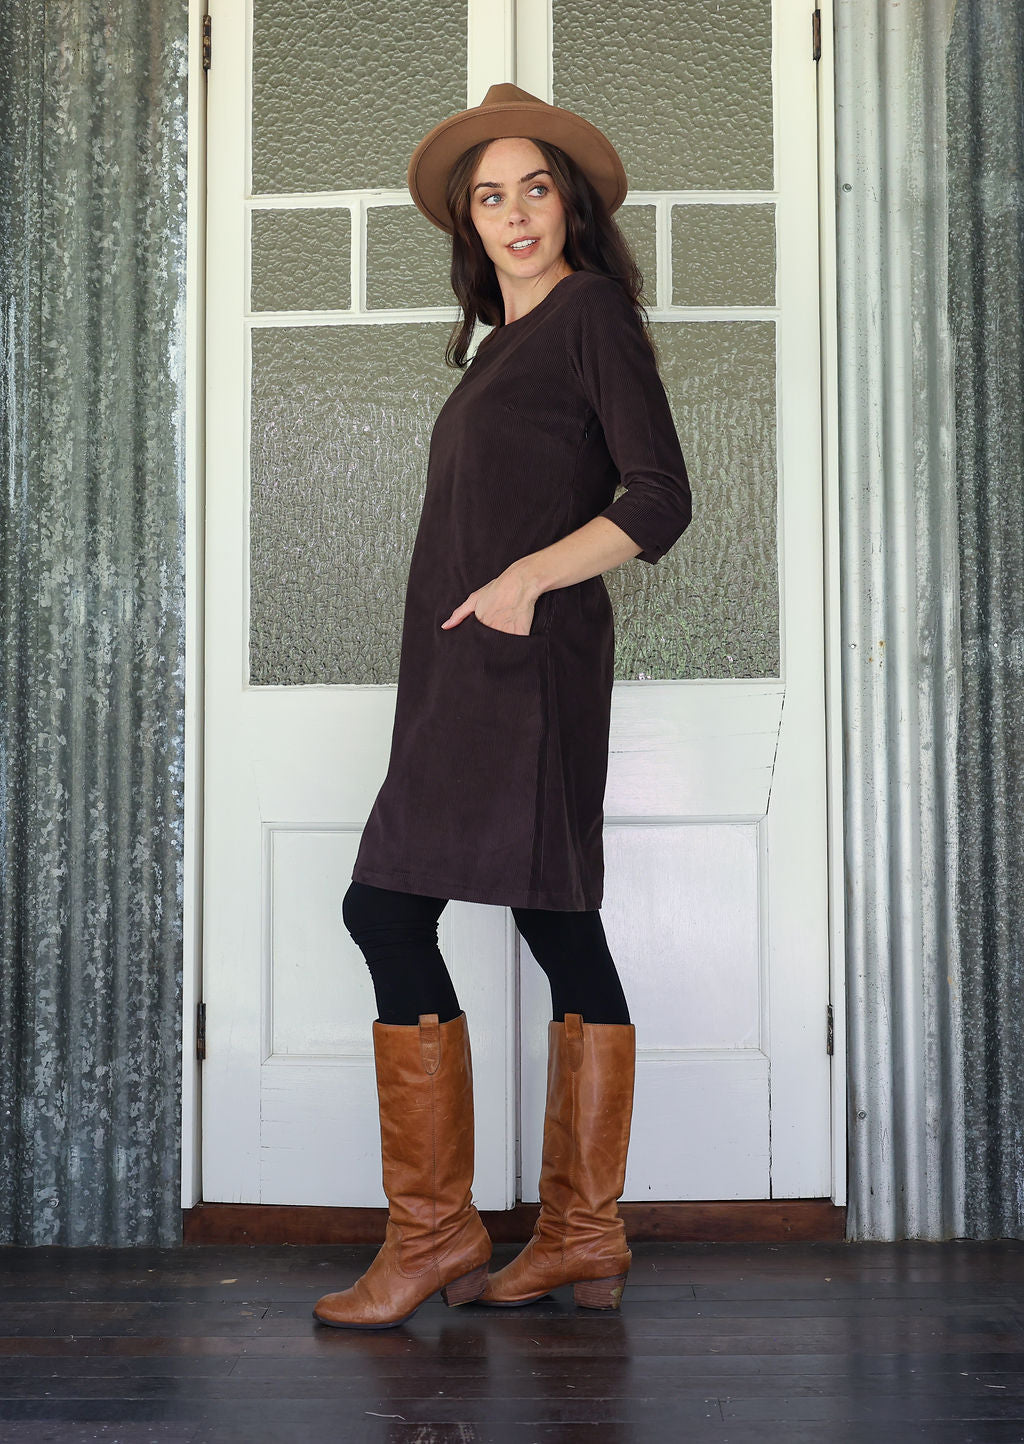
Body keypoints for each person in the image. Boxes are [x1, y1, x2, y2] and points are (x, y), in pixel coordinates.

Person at [313, 84, 691, 1330]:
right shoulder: (496, 343)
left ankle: (437, 1234)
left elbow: (657, 499)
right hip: (467, 679)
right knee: (554, 921)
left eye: (536, 188)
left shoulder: (589, 315)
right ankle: (578, 1233)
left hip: (523, 675)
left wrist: (529, 578)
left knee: (388, 906)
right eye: (490, 196)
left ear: (569, 205)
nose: (515, 212)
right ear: (466, 226)